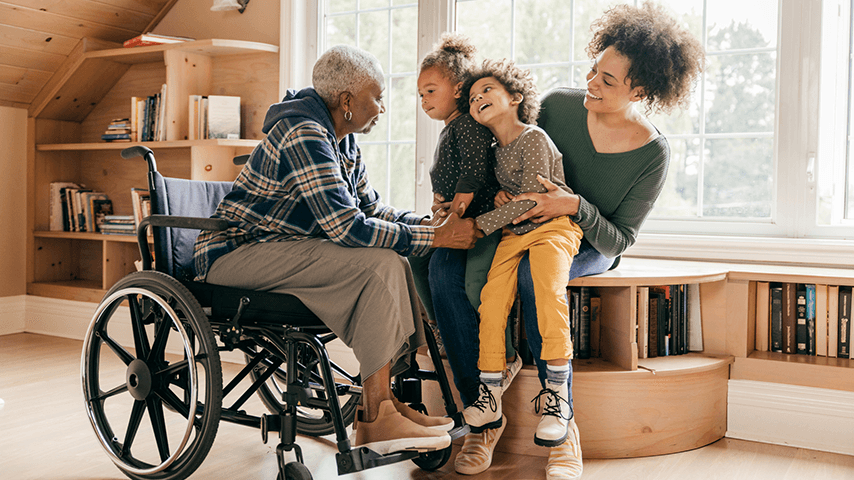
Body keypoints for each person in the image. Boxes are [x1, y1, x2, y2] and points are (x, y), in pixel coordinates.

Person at [429, 3, 705, 479]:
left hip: (586, 242)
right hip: (521, 224)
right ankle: (484, 412)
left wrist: (574, 205)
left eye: (608, 81)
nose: (592, 84)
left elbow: (620, 239)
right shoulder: (557, 105)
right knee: (443, 268)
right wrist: (475, 195)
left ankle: (563, 420)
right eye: (594, 71)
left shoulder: (651, 152)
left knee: (535, 277)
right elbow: (505, 147)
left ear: (640, 91)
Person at [192, 44, 483, 456]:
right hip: (235, 257)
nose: (382, 107)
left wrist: (427, 224)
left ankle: (383, 408)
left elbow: (370, 209)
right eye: (376, 97)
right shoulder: (304, 132)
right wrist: (438, 238)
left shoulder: (342, 141)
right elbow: (345, 227)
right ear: (346, 101)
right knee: (380, 263)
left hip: (283, 250)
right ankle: (377, 414)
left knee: (392, 259)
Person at [408, 33, 522, 476]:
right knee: (417, 259)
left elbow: (474, 175)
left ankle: (483, 403)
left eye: (430, 91)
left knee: (442, 270)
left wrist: (451, 212)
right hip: (458, 220)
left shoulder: (468, 126)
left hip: (476, 224)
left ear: (457, 88)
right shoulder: (453, 129)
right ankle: (443, 329)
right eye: (419, 94)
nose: (423, 100)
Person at [459, 58, 583, 452]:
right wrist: (497, 201)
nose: (478, 98)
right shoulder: (493, 152)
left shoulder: (533, 138)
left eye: (487, 90)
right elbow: (511, 200)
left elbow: (532, 200)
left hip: (552, 229)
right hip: (514, 234)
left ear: (515, 97)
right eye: (473, 96)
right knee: (491, 300)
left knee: (547, 290)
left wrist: (482, 224)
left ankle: (557, 397)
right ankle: (490, 393)